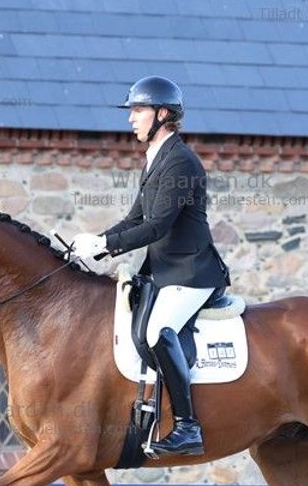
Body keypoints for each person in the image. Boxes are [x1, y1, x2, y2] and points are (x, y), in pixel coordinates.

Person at [69, 76, 230, 457]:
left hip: (192, 272)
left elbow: (158, 226)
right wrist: (96, 245)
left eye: (138, 111)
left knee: (159, 331)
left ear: (162, 114)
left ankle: (188, 428)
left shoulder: (180, 161)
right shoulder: (155, 160)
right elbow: (134, 219)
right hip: (164, 271)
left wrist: (107, 244)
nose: (131, 119)